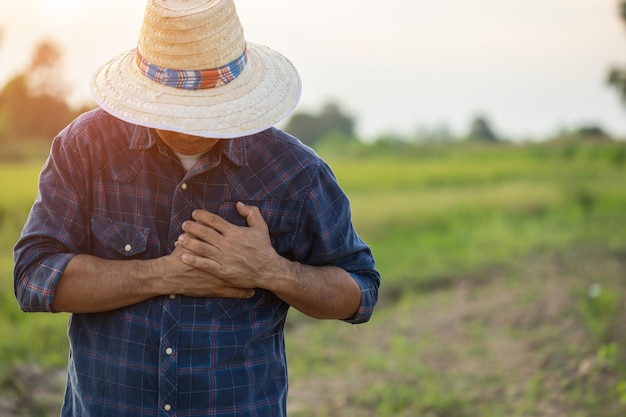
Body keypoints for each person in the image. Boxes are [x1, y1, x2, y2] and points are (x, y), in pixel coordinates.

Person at [13, 0, 380, 416]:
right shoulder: (87, 147)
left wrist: (270, 270)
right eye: (174, 111)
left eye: (204, 112)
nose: (188, 125)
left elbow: (360, 293)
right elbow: (33, 277)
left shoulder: (293, 172)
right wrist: (163, 273)